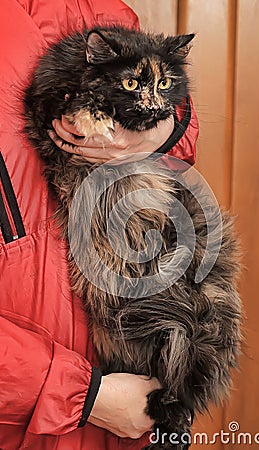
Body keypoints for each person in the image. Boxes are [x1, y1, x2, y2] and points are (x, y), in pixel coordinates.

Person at [0, 0, 199, 449]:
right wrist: (86, 395)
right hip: (32, 407)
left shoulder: (105, 8)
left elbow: (177, 122)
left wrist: (161, 130)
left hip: (138, 363)